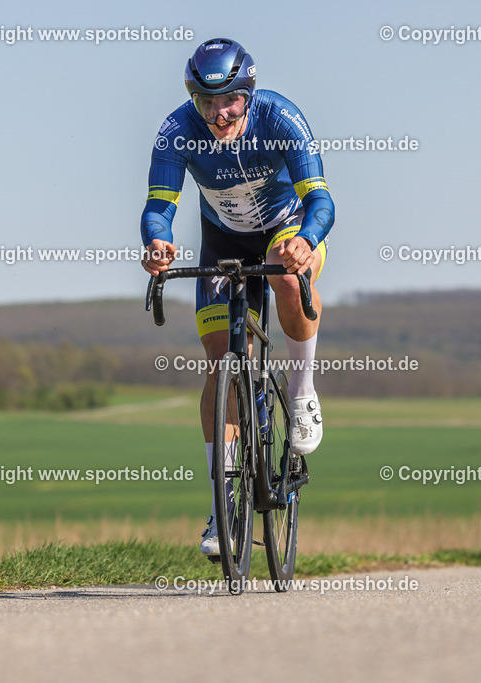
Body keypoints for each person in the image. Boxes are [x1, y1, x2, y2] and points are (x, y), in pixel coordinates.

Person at [139, 38, 335, 556]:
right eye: (205, 101)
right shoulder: (177, 130)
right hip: (222, 238)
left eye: (228, 101)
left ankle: (301, 393)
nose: (218, 112)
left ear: (248, 94)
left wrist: (305, 241)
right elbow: (158, 207)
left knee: (286, 279)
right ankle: (222, 504)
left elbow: (321, 200)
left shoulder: (281, 118)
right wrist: (156, 242)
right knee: (221, 365)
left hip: (286, 230)